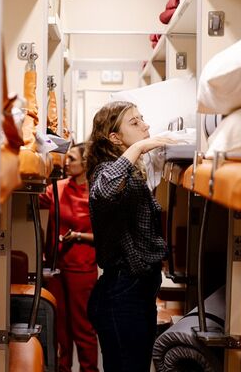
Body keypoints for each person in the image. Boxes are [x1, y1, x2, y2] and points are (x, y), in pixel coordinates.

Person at [85, 101, 175, 372]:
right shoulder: (105, 170)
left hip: (137, 290)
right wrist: (139, 147)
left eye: (142, 118)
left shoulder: (133, 172)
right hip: (122, 292)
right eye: (134, 123)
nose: (145, 126)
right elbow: (104, 191)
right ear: (114, 138)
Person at [39, 143, 99, 372]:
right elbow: (33, 199)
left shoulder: (96, 194)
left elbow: (105, 236)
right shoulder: (58, 188)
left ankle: (89, 369)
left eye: (71, 158)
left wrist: (78, 236)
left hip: (82, 269)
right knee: (60, 328)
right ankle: (62, 369)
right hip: (55, 268)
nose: (66, 162)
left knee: (83, 328)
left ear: (86, 162)